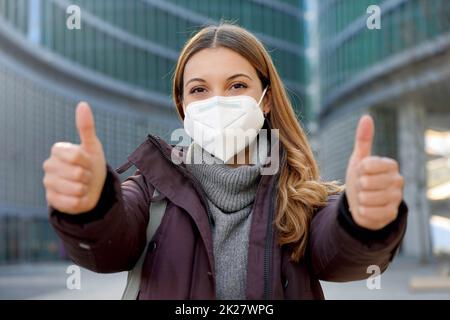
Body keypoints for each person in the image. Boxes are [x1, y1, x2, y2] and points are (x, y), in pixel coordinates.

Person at [42, 23, 407, 299]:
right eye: (199, 89)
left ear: (265, 100)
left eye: (236, 86)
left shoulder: (302, 198)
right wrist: (92, 206)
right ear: (183, 109)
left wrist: (362, 221)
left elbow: (341, 256)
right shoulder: (150, 191)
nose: (217, 100)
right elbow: (107, 250)